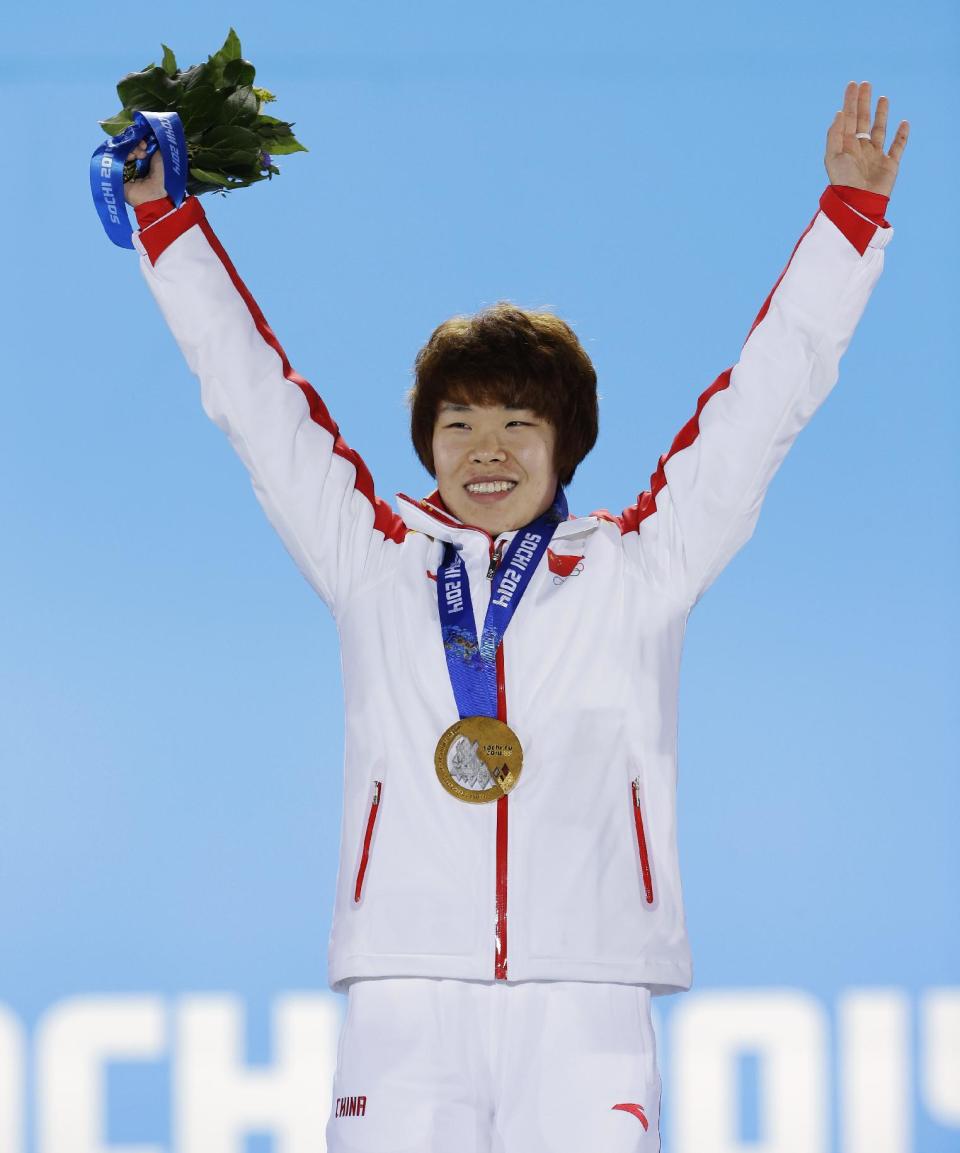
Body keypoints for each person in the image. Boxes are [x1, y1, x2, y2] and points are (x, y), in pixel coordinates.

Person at [121, 80, 908, 1152]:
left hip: (588, 992)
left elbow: (763, 403)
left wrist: (847, 225)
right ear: (427, 441)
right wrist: (168, 223)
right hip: (406, 987)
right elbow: (251, 393)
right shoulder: (372, 557)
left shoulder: (645, 566)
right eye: (457, 423)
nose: (484, 450)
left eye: (516, 423)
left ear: (564, 441)